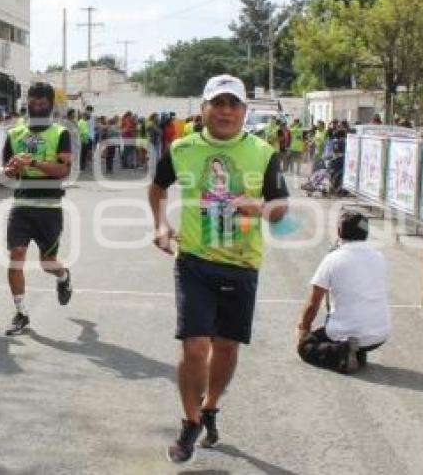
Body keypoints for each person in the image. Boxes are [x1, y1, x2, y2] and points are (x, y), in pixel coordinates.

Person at [148, 74, 289, 464]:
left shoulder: (263, 152)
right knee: (195, 346)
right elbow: (157, 187)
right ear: (204, 108)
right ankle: (190, 421)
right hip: (194, 260)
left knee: (225, 346)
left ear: (244, 111)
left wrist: (259, 208)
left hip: (242, 263)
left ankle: (210, 406)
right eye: (218, 103)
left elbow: (282, 210)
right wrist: (160, 223)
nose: (226, 111)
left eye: (233, 104)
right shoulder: (183, 148)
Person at [0, 82, 73, 336]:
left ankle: (63, 277)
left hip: (50, 207)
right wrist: (11, 169)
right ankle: (21, 313)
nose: (37, 107)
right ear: (27, 102)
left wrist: (33, 161)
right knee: (16, 256)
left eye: (42, 103)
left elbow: (64, 171)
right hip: (21, 206)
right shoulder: (14, 134)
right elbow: (4, 171)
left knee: (47, 263)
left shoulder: (60, 133)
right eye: (33, 102)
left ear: (51, 105)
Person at [296, 211, 391, 373]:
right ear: (366, 233)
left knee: (306, 346)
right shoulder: (379, 256)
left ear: (339, 232)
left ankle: (342, 352)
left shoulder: (333, 258)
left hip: (347, 330)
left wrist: (303, 328)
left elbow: (313, 303)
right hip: (380, 335)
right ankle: (355, 352)